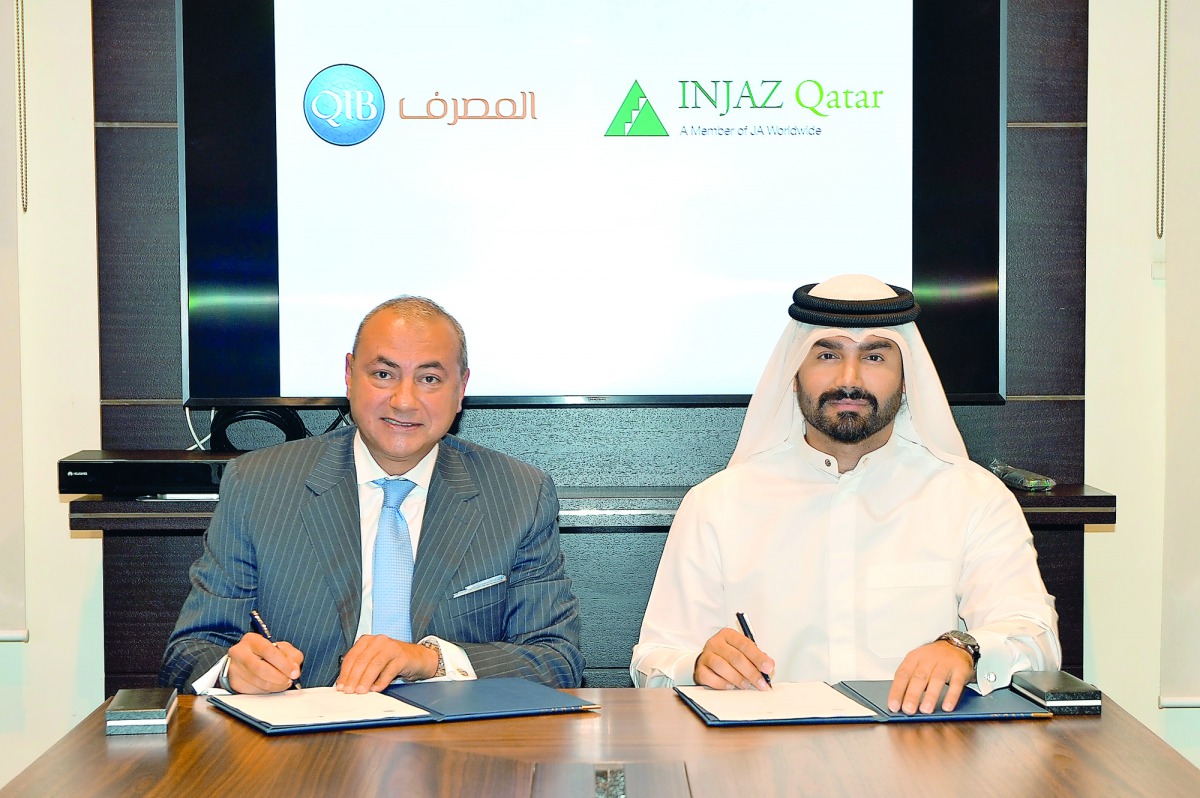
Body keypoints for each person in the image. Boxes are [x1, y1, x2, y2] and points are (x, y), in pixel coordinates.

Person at [631, 274, 1060, 714]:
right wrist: (699, 665)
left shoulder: (972, 498)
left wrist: (964, 648)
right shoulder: (717, 505)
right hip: (768, 768)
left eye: (874, 356)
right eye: (828, 354)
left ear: (907, 376)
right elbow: (652, 661)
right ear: (794, 373)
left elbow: (1036, 638)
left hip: (922, 764)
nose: (849, 378)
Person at [161, 296, 583, 694]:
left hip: (455, 752)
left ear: (461, 389)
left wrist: (428, 660)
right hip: (304, 749)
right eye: (383, 375)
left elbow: (556, 660)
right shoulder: (258, 484)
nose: (403, 401)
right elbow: (191, 651)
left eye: (430, 379)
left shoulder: (519, 495)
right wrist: (233, 671)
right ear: (349, 375)